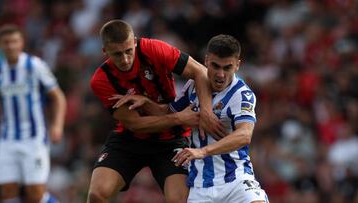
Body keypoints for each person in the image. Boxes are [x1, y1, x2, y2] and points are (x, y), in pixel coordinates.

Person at [113, 34, 269, 203]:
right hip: (200, 186)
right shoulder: (193, 86)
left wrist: (202, 151)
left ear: (237, 65)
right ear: (207, 60)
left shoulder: (241, 95)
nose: (220, 74)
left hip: (236, 180)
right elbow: (169, 113)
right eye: (215, 66)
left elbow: (244, 135)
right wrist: (145, 103)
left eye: (227, 68)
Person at [87, 19, 225, 203]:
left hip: (172, 140)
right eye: (117, 54)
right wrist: (180, 118)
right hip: (129, 139)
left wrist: (206, 112)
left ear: (134, 41)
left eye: (129, 51)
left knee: (179, 200)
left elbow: (200, 72)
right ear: (105, 51)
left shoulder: (153, 49)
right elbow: (135, 124)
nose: (125, 59)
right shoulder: (101, 80)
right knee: (97, 195)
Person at [0, 25, 66, 203]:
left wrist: (57, 125)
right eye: (6, 42)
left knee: (35, 193)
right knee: (7, 190)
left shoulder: (34, 65)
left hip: (34, 138)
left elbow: (58, 96)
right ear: (0, 45)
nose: (11, 46)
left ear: (21, 43)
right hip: (7, 139)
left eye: (14, 41)